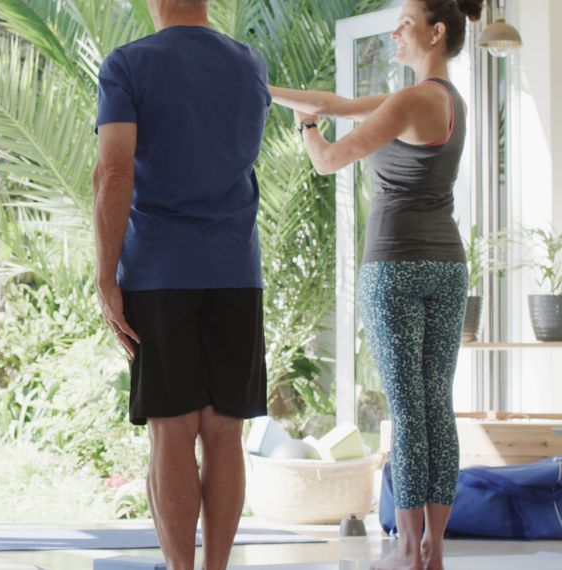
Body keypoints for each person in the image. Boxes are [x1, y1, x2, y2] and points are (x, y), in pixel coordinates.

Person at [269, 1, 483, 568]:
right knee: (436, 404)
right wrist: (269, 90)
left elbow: (328, 158)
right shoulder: (445, 100)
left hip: (394, 266)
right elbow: (340, 104)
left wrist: (308, 128)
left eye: (405, 23)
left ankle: (408, 549)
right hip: (446, 265)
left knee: (409, 410)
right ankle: (432, 548)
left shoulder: (409, 100)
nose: (395, 32)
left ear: (436, 33)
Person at [92, 0, 271, 568]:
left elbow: (115, 170)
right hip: (237, 273)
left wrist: (105, 275)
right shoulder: (251, 65)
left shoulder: (127, 64)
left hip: (159, 273)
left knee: (172, 433)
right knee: (225, 433)